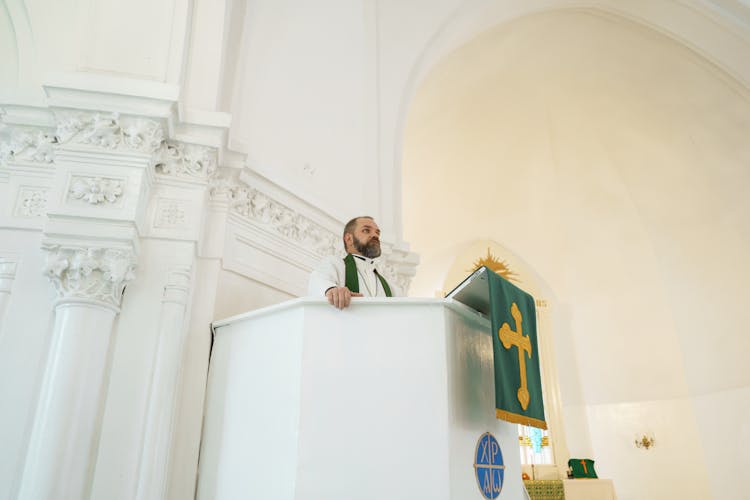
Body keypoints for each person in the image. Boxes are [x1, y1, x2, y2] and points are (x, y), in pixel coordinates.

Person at [308, 216, 400, 309]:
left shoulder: (389, 286)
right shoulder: (335, 264)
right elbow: (318, 280)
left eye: (377, 233)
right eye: (366, 230)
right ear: (349, 239)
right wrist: (331, 290)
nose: (375, 235)